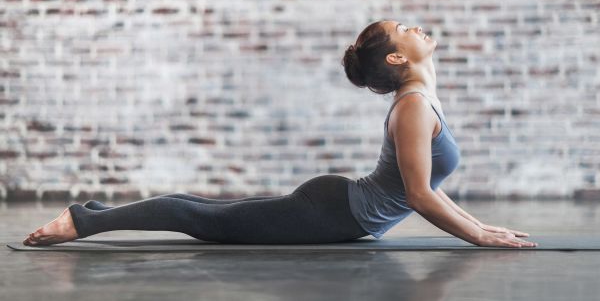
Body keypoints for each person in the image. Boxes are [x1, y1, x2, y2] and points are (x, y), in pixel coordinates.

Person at [23, 20, 537, 248]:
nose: (417, 27)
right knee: (203, 219)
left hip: (337, 206)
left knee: (207, 211)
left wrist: (485, 227)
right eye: (405, 28)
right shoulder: (412, 109)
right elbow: (420, 196)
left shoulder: (421, 104)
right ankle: (81, 222)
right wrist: (477, 237)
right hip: (333, 210)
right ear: (399, 57)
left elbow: (425, 187)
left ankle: (88, 215)